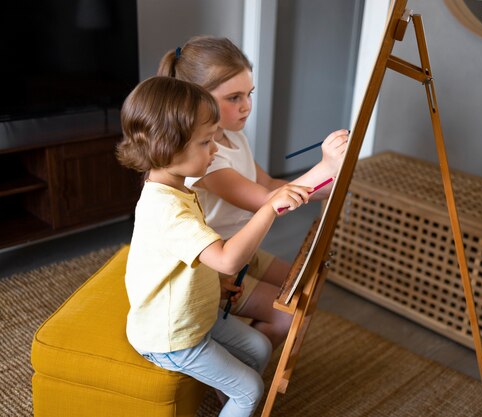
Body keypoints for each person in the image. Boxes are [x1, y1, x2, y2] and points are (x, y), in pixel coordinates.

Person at [116, 76, 312, 417]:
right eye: (206, 142)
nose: (216, 149)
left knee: (258, 347)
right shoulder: (166, 209)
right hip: (171, 336)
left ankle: (228, 403)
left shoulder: (177, 190)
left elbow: (190, 259)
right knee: (251, 391)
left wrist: (215, 285)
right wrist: (268, 208)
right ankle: (237, 401)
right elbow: (227, 259)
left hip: (195, 315)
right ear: (168, 148)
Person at [157, 36, 349, 349]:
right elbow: (269, 201)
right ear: (198, 101)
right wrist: (326, 166)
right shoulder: (207, 160)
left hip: (244, 249)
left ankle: (241, 342)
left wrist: (326, 187)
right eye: (234, 97)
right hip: (212, 267)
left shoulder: (235, 137)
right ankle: (234, 365)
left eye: (249, 94)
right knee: (287, 314)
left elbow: (270, 185)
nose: (246, 105)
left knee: (303, 284)